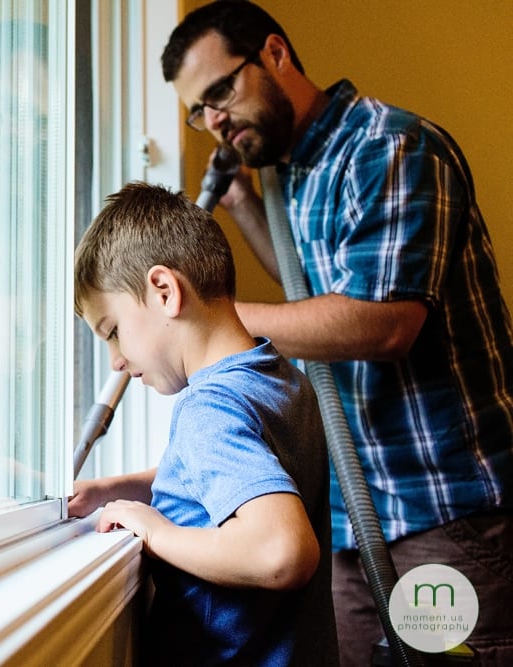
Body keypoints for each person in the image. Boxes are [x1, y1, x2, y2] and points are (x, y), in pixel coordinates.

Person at [160, 2, 513, 665]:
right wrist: (244, 206)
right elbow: (312, 297)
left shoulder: (389, 148)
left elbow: (382, 323)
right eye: (197, 111)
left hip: (445, 513)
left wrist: (217, 322)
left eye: (219, 94)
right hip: (356, 516)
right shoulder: (294, 174)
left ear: (274, 54)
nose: (214, 122)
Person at [68, 181, 338, 666]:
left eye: (113, 332)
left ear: (165, 292)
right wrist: (118, 489)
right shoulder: (281, 379)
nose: (116, 361)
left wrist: (154, 531)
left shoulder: (208, 408)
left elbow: (283, 552)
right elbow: (231, 481)